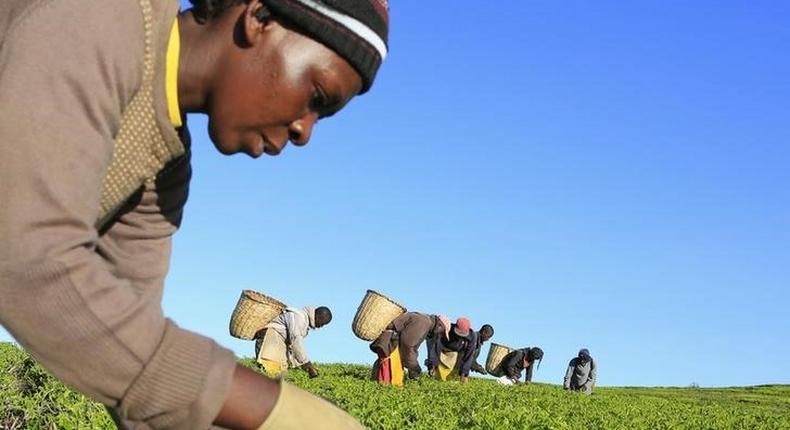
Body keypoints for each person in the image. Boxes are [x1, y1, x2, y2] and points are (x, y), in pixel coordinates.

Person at [0, 0, 388, 428]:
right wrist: (277, 413)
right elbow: (27, 257)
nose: (304, 131)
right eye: (316, 97)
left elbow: (126, 336)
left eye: (322, 116)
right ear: (258, 17)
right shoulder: (97, 14)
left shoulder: (163, 171)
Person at [254, 306, 331, 378]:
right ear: (317, 316)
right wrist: (306, 363)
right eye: (322, 322)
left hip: (277, 342)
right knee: (269, 371)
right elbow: (295, 341)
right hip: (270, 339)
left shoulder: (305, 324)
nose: (321, 326)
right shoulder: (299, 318)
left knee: (279, 373)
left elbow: (292, 346)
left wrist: (300, 365)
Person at [370, 312, 448, 381]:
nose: (440, 335)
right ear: (439, 326)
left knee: (384, 379)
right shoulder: (423, 322)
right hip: (392, 346)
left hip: (390, 344)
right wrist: (414, 368)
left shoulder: (424, 320)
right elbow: (408, 346)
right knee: (390, 382)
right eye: (442, 332)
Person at [425, 317, 479, 383]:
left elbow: (469, 356)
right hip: (442, 352)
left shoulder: (472, 336)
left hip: (457, 356)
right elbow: (435, 347)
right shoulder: (447, 329)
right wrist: (432, 365)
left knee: (453, 377)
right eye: (458, 334)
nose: (460, 336)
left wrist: (464, 373)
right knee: (438, 375)